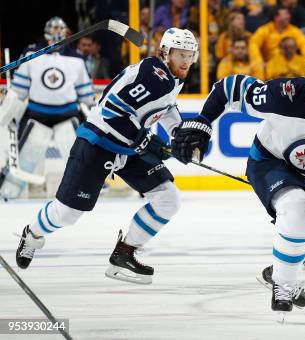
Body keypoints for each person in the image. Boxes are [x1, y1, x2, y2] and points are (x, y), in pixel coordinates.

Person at [171, 52, 305, 317]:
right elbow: (229, 88)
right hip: (269, 162)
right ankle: (284, 285)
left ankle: (281, 272)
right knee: (296, 209)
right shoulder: (283, 94)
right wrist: (203, 122)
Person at [14, 28, 199, 286]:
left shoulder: (169, 77)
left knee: (168, 199)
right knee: (68, 214)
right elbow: (112, 111)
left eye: (191, 55)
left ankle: (124, 254)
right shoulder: (153, 76)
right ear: (165, 53)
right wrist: (146, 140)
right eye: (181, 54)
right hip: (98, 142)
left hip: (128, 146)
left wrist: (177, 132)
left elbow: (166, 105)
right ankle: (31, 234)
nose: (186, 61)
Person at [0, 17, 95, 199]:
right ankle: (8, 194)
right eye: (54, 31)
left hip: (68, 115)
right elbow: (18, 91)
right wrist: (7, 113)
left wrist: (96, 114)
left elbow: (87, 96)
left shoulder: (76, 59)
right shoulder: (32, 55)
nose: (57, 35)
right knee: (27, 157)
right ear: (46, 34)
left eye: (61, 30)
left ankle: (82, 194)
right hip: (37, 115)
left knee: (76, 156)